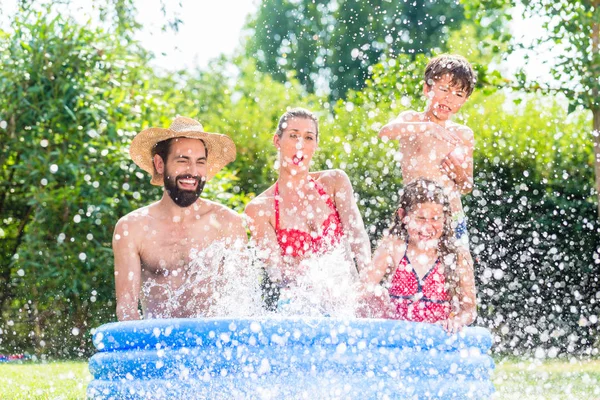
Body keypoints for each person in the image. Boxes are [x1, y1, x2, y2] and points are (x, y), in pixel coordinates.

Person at [113, 116, 247, 321]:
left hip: (214, 346)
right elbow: (126, 308)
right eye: (182, 161)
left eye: (200, 162)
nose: (192, 172)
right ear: (159, 164)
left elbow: (243, 303)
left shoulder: (227, 223)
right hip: (158, 346)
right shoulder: (132, 228)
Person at [244, 108, 371, 313]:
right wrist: (315, 281)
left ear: (316, 145)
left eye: (308, 137)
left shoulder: (334, 182)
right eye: (293, 136)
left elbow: (357, 234)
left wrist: (368, 282)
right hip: (301, 309)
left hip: (349, 302)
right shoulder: (260, 209)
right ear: (277, 141)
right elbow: (276, 272)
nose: (300, 145)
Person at [378, 54, 477, 243]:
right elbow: (384, 132)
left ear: (464, 101)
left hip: (451, 216)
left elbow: (466, 186)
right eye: (444, 89)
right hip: (415, 213)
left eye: (458, 94)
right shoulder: (411, 120)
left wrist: (458, 173)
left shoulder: (463, 134)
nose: (449, 98)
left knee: (462, 266)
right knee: (402, 266)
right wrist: (428, 127)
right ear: (427, 89)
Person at [364, 179, 477, 333]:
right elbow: (363, 289)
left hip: (437, 339)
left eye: (435, 219)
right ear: (403, 215)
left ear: (445, 218)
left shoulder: (457, 255)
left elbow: (469, 310)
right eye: (420, 218)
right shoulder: (393, 248)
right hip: (398, 336)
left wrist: (457, 319)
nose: (427, 226)